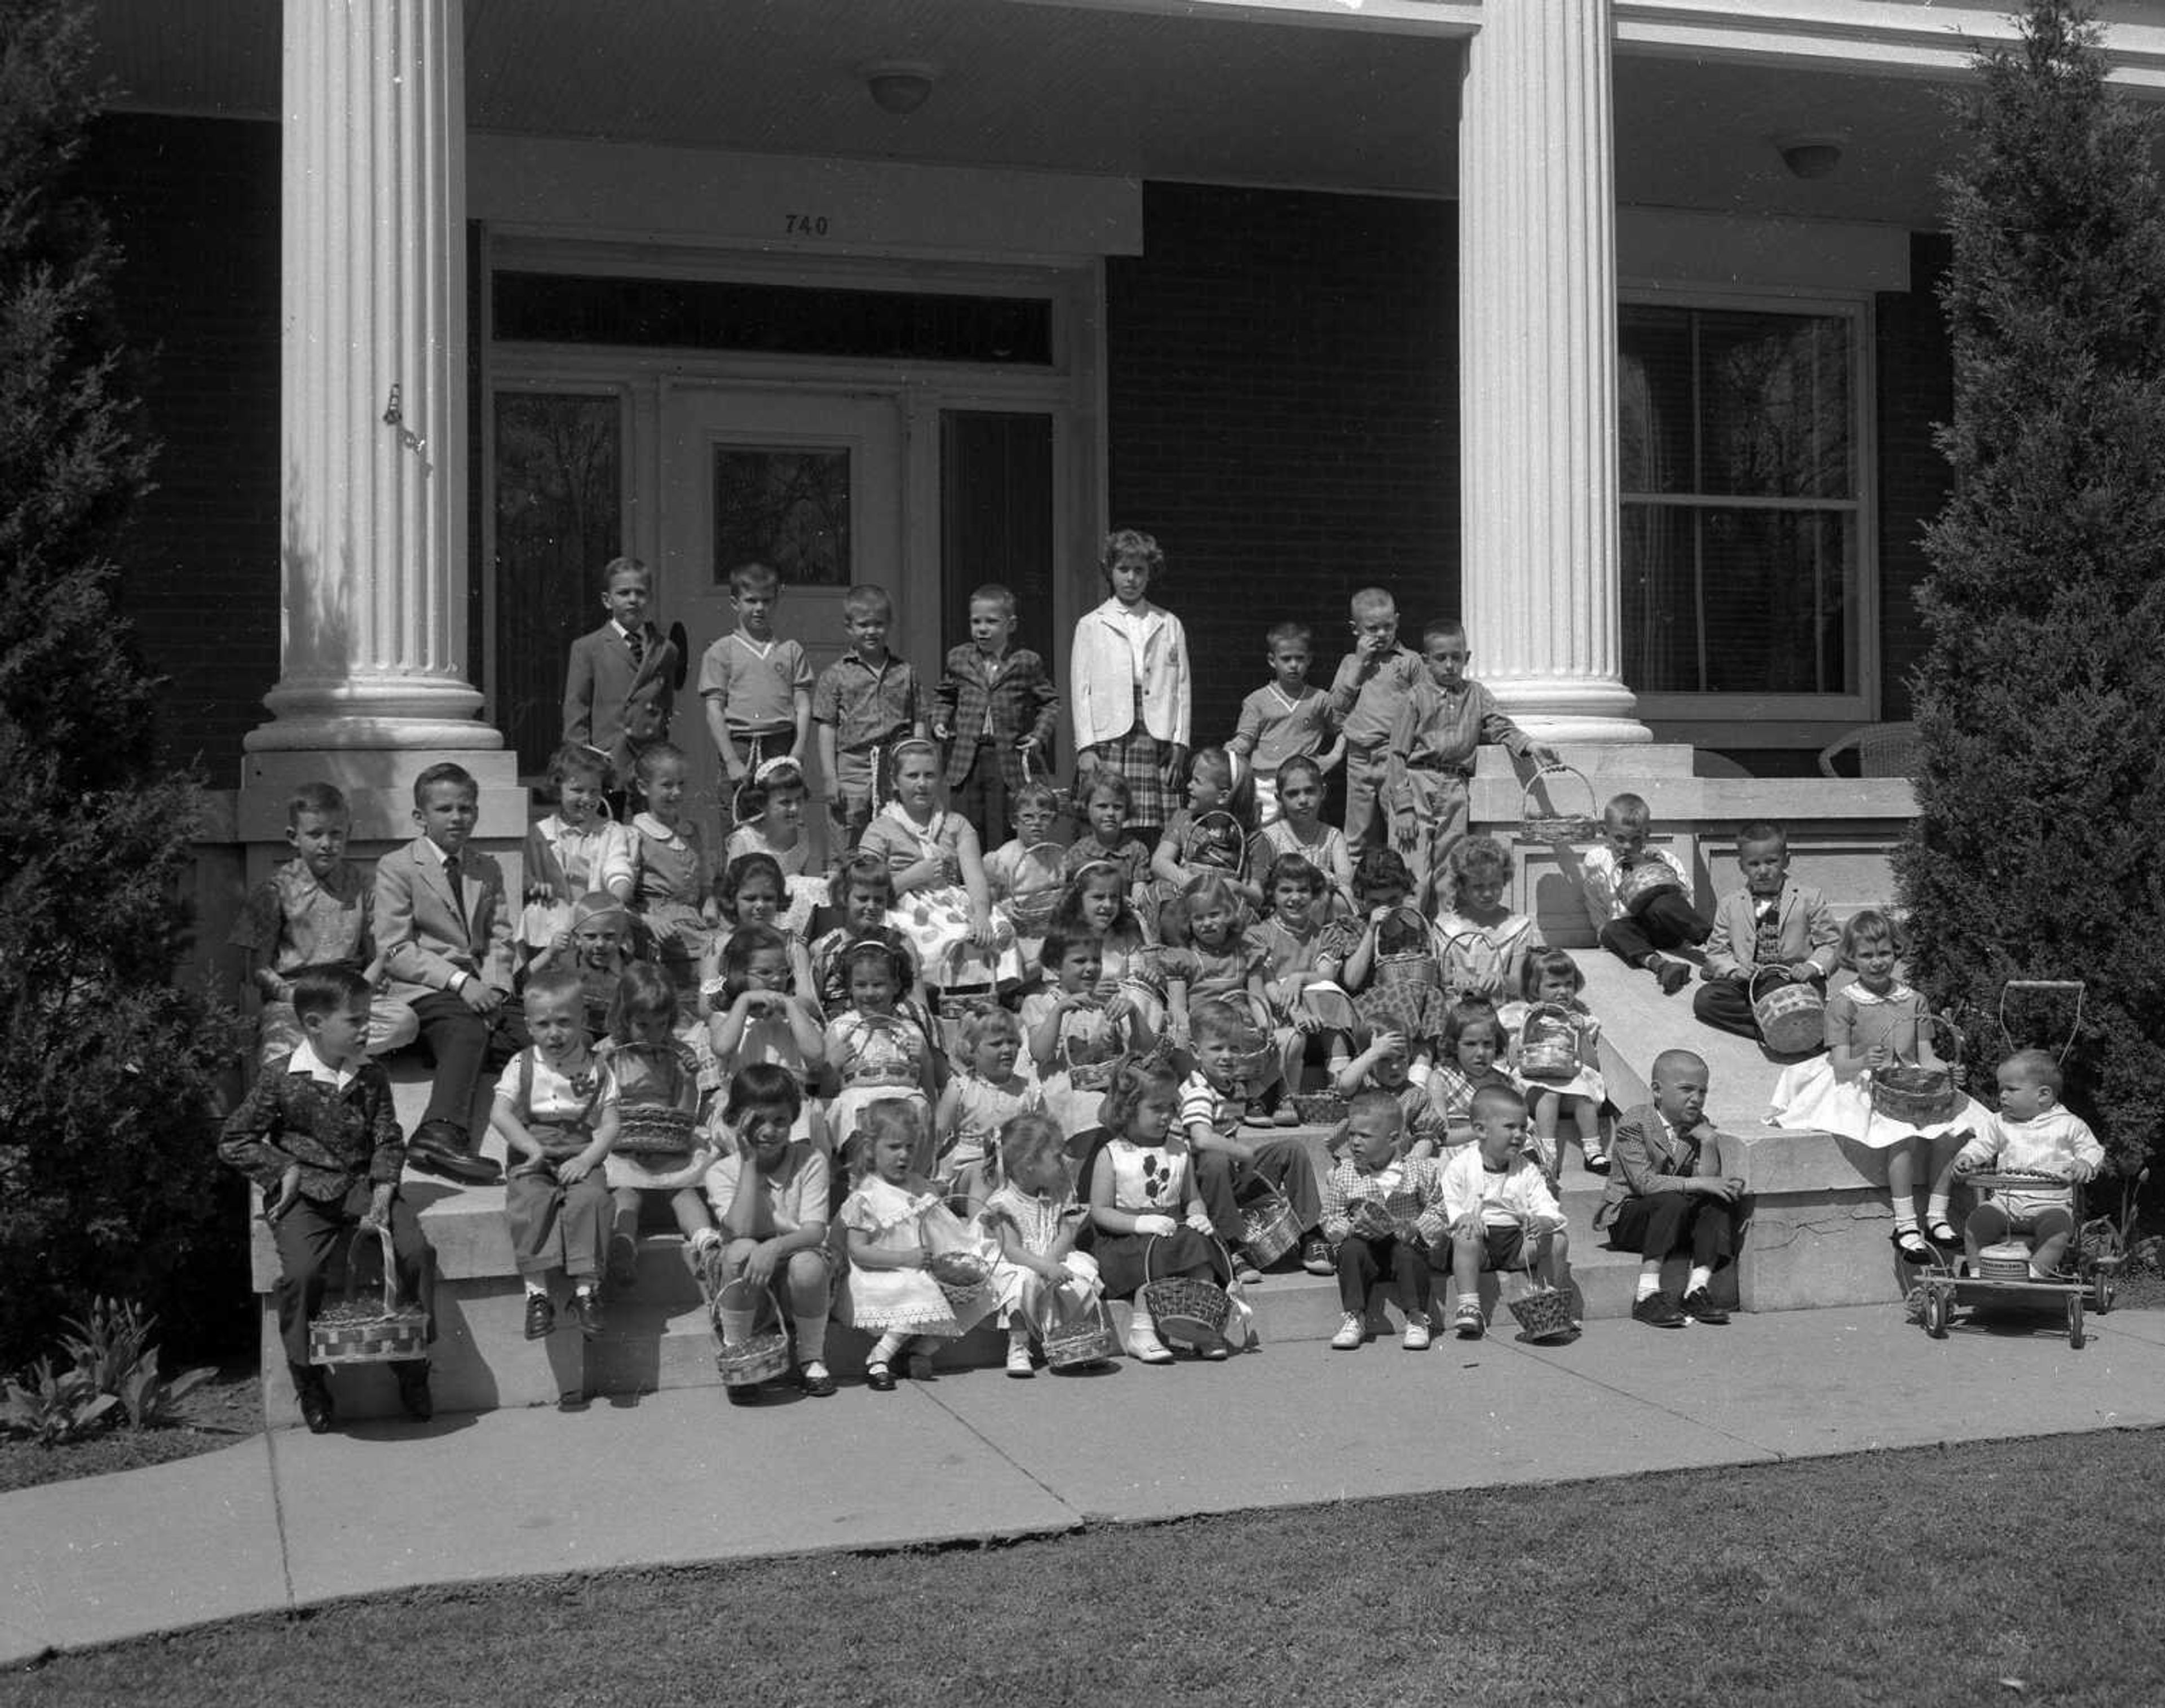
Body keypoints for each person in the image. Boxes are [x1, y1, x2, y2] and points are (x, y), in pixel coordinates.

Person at [218, 965, 433, 1433]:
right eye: (355, 1021)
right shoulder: (280, 1077)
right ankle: (309, 1379)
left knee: (416, 1251)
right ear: (315, 1024)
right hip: (307, 1196)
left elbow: (389, 1138)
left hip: (362, 1186)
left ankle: (412, 1362)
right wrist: (284, 1169)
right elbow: (234, 1140)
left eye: (367, 1018)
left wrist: (381, 1192)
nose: (366, 1029)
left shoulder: (371, 1075)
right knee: (301, 1274)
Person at [1767, 910, 1978, 1263]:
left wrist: (1949, 1072)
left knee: (1950, 1130)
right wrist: (1866, 1061)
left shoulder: (1914, 999)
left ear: (1897, 952)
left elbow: (1926, 1057)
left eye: (1884, 954)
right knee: (1900, 1134)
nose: (1877, 963)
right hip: (1861, 1080)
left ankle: (1938, 1216)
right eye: (1867, 955)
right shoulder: (1844, 1002)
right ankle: (1906, 1223)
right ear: (1851, 958)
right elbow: (1840, 1063)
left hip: (1909, 1078)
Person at [376, 762, 523, 1184]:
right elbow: (395, 948)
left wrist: (495, 988)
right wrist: (461, 983)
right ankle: (439, 1132)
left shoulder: (485, 867)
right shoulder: (398, 866)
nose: (457, 818)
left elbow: (500, 939)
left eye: (466, 808)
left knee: (532, 1037)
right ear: (421, 817)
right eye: (445, 809)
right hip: (424, 985)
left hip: (480, 987)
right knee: (466, 1030)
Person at [229, 781, 417, 1068]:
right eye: (315, 834)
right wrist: (296, 997)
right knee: (275, 1055)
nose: (327, 844)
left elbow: (380, 953)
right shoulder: (275, 890)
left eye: (336, 834)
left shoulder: (362, 885)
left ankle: (330, 1044)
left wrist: (361, 992)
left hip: (350, 994)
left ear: (348, 834)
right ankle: (336, 1046)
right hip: (296, 1000)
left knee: (404, 1022)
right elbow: (259, 969)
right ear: (294, 837)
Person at [1384, 619, 1556, 911]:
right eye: (1441, 658)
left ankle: (1444, 939)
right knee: (1412, 870)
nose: (1449, 665)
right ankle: (1409, 943)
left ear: (1467, 658)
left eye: (1456, 657)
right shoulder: (1415, 698)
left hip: (1456, 787)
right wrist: (1402, 807)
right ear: (1426, 661)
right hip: (1418, 784)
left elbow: (1500, 726)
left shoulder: (1476, 695)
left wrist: (1530, 745)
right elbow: (1397, 754)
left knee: (1449, 871)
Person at [490, 966, 620, 1344]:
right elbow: (499, 1112)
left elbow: (610, 1124)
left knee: (591, 1199)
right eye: (543, 1024)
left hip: (581, 1147)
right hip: (534, 1147)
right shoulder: (522, 1063)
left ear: (583, 1021)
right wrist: (530, 1147)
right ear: (529, 1026)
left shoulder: (598, 1067)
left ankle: (586, 1291)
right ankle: (537, 1295)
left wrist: (587, 1160)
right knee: (531, 1199)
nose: (555, 1033)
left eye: (564, 1022)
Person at [839, 1100, 994, 1390]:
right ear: (872, 1148)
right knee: (921, 1287)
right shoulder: (867, 1196)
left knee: (980, 1288)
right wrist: (905, 1258)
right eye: (894, 1147)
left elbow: (946, 1229)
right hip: (885, 1271)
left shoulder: (921, 1186)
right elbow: (858, 1250)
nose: (904, 1156)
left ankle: (922, 1349)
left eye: (910, 1147)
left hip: (924, 1265)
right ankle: (879, 1357)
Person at [702, 1064, 836, 1397]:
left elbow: (814, 1232)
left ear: (793, 1120)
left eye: (780, 1121)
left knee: (807, 1263)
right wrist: (749, 1164)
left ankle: (811, 1357)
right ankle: (738, 1352)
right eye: (757, 1121)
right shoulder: (722, 1172)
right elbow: (741, 1230)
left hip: (797, 1271)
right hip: (743, 1278)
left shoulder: (811, 1160)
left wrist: (774, 1248)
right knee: (741, 1249)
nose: (769, 1131)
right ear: (737, 1121)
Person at [1082, 1056, 1226, 1365]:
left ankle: (1203, 1325)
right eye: (1156, 1108)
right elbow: (1100, 1211)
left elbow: (1192, 1198)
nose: (1166, 1116)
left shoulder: (1178, 1149)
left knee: (1202, 1244)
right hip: (1125, 1239)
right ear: (1128, 1109)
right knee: (1154, 1250)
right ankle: (1142, 1330)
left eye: (1171, 1107)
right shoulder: (1112, 1154)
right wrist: (1141, 1223)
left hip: (1171, 1231)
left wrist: (1198, 1215)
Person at [1180, 996, 1333, 1281]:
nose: (1227, 1056)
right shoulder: (1197, 1090)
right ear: (1196, 1051)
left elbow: (1265, 1083)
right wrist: (1243, 1153)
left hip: (1231, 1174)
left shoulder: (1232, 1086)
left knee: (1292, 1149)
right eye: (1216, 1048)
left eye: (1235, 1048)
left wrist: (1275, 1056)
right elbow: (1201, 1139)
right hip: (1198, 1183)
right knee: (1215, 1159)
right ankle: (1230, 1247)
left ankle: (1311, 1233)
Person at [856, 735, 1020, 998]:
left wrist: (980, 914)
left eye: (930, 775)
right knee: (948, 936)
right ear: (895, 782)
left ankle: (983, 993)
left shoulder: (956, 825)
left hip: (951, 901)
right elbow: (866, 886)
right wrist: (913, 876)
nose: (922, 784)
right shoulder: (881, 829)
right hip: (900, 904)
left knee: (998, 928)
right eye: (912, 776)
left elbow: (974, 876)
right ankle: (928, 995)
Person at [1595, 1049, 1740, 1329]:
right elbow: (1645, 1183)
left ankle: (1697, 1289)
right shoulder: (1634, 1123)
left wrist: (1709, 1142)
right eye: (1687, 1090)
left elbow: (1709, 1181)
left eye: (1702, 1092)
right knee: (1670, 1200)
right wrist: (1697, 1183)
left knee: (1718, 1201)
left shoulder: (1699, 1125)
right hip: (1631, 1220)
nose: (1696, 1099)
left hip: (1674, 1221)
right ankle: (1647, 1294)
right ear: (1658, 1091)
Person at [597, 962, 719, 1294]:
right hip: (622, 1143)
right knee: (625, 1193)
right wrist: (598, 1072)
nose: (652, 1034)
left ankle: (706, 1244)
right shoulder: (609, 1053)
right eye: (642, 1025)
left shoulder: (676, 1053)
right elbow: (594, 1105)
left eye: (661, 1025)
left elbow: (685, 1111)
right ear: (623, 1018)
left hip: (668, 1139)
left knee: (684, 1191)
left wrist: (688, 1079)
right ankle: (623, 1243)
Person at [1070, 529, 1191, 847]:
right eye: (1124, 569)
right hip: (1110, 733)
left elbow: (1182, 688)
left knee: (1156, 826)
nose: (1132, 578)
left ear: (1151, 574)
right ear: (1110, 571)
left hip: (1156, 732)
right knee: (1109, 815)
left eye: (1140, 571)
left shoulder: (1169, 623)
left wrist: (1180, 743)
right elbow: (1081, 691)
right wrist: (1086, 747)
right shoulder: (1092, 624)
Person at [932, 581, 1061, 852]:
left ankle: (1001, 886)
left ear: (1010, 625)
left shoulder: (1026, 661)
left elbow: (1049, 702)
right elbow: (946, 695)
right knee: (967, 826)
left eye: (991, 621)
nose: (982, 628)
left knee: (1002, 826)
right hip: (967, 758)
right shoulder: (959, 658)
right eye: (976, 621)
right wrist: (939, 721)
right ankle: (969, 888)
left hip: (1006, 760)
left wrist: (1039, 735)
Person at [1953, 1049, 2104, 1280]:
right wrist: (1967, 1158)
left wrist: (2085, 1163)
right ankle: (1977, 1276)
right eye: (2001, 1089)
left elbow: (2093, 1150)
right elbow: (1981, 1145)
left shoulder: (2069, 1125)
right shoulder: (1998, 1122)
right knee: (1977, 1222)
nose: (2003, 1096)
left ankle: (2032, 1277)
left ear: (2043, 1095)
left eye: (2011, 1089)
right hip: (2005, 1203)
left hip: (2050, 1205)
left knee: (2059, 1231)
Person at [1319, 1088, 1448, 1352]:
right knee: (1351, 1251)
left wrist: (1416, 1227)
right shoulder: (1345, 1174)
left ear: (1393, 1139)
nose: (1355, 1142)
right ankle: (1355, 1316)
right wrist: (1347, 1229)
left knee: (1406, 1253)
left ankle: (1416, 1316)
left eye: (1364, 1136)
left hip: (1405, 1244)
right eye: (1352, 1134)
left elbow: (1438, 1211)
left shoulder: (1420, 1170)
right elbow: (1330, 1217)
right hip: (1366, 1249)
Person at [1439, 1085, 1572, 1340]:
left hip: (1516, 1242)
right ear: (1481, 1130)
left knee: (1557, 1240)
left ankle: (1548, 1302)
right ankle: (1469, 1306)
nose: (1519, 1134)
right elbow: (1446, 1202)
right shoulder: (1461, 1165)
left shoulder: (1527, 1169)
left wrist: (1543, 1221)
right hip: (1480, 1243)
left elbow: (1547, 1205)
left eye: (1523, 1128)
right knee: (1466, 1236)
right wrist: (1462, 1217)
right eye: (1510, 1127)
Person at [1550, 791, 1711, 997]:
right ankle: (1661, 966)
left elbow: (1685, 896)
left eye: (1636, 839)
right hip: (1634, 934)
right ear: (1604, 832)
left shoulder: (1662, 858)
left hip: (1665, 930)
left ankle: (1716, 944)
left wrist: (1658, 866)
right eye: (1620, 838)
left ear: (1647, 834)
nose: (1627, 846)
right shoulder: (1599, 862)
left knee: (1662, 904)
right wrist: (1604, 932)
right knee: (1610, 930)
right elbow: (1594, 899)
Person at [1694, 821, 1840, 1046]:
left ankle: (1792, 1025)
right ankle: (1776, 1032)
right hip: (1750, 981)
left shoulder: (1810, 897)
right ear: (1742, 866)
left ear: (1786, 860)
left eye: (1771, 862)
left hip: (1792, 981)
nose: (1763, 870)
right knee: (1705, 1000)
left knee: (1776, 992)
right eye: (1754, 864)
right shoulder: (1730, 904)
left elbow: (1832, 944)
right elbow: (1716, 951)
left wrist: (1813, 967)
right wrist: (1735, 971)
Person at [978, 1111, 1100, 1377]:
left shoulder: (1058, 1192)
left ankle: (1071, 1339)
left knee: (1083, 1270)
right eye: (1056, 1156)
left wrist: (1052, 1263)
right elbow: (1010, 1250)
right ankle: (1019, 1344)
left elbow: (1067, 1233)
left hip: (1051, 1257)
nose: (1062, 1162)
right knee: (1020, 1281)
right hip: (1018, 1262)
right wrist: (1043, 1267)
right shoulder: (1004, 1202)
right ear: (1029, 1163)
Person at [812, 583, 927, 864]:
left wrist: (919, 761)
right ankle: (845, 891)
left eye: (878, 624)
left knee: (898, 829)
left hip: (896, 763)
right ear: (849, 627)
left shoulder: (905, 672)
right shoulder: (835, 675)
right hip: (853, 764)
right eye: (864, 625)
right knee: (850, 829)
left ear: (889, 625)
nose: (871, 631)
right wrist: (830, 777)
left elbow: (919, 720)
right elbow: (827, 727)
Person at [703, 923, 828, 1157]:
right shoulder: (724, 1018)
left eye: (783, 971)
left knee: (803, 1118)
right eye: (765, 973)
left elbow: (815, 1054)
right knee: (733, 1125)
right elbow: (722, 1047)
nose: (777, 979)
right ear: (740, 974)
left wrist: (791, 1005)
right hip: (742, 1104)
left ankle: (795, 1175)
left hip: (787, 1107)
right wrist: (744, 1001)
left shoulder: (794, 1020)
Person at [561, 554, 679, 800]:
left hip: (649, 761)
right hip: (607, 760)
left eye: (640, 593)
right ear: (607, 600)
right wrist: (583, 762)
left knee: (648, 832)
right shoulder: (588, 647)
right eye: (624, 593)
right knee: (606, 832)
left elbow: (665, 706)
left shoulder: (665, 649)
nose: (633, 600)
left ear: (650, 599)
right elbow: (577, 708)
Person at [1316, 848, 1451, 1059]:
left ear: (1405, 893)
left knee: (1435, 996)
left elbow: (1433, 980)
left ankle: (1421, 1065)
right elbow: (1351, 981)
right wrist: (1371, 929)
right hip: (1368, 1011)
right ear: (1362, 898)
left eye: (1393, 900)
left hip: (1413, 1010)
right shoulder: (1350, 927)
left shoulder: (1415, 933)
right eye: (1375, 902)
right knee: (1400, 992)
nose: (1385, 908)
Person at [824, 940, 939, 1171]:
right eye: (861, 985)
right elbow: (825, 1092)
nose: (869, 993)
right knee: (853, 1108)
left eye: (878, 985)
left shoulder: (910, 1029)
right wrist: (833, 1065)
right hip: (858, 1099)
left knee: (918, 1105)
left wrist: (925, 1061)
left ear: (896, 986)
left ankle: (910, 1175)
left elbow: (930, 1091)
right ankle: (863, 1176)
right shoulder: (841, 1028)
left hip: (902, 1104)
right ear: (850, 987)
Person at [1324, 587, 1424, 853]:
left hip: (1394, 755)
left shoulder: (1410, 662)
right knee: (1358, 834)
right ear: (1355, 629)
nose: (1381, 634)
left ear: (1398, 622)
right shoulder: (1350, 663)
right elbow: (1337, 709)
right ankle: (1355, 889)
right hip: (1359, 757)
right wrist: (1359, 664)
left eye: (1388, 626)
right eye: (1372, 629)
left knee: (1400, 831)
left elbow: (1427, 708)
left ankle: (1400, 891)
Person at [519, 743, 636, 965]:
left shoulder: (611, 832)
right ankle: (546, 972)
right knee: (536, 912)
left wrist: (614, 898)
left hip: (598, 914)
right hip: (555, 912)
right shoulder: (539, 833)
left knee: (614, 923)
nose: (587, 798)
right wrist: (535, 886)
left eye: (595, 791)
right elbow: (525, 877)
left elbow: (618, 869)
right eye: (577, 790)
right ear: (558, 788)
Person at [698, 559, 812, 786]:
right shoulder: (721, 651)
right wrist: (731, 760)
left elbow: (803, 705)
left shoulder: (790, 650)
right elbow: (714, 710)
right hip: (740, 745)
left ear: (776, 602)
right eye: (751, 601)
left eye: (766, 601)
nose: (760, 608)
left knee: (781, 812)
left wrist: (798, 750)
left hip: (781, 743)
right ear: (734, 603)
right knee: (738, 812)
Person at [1499, 949, 1609, 1182]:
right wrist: (1528, 1027)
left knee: (1584, 1097)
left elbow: (1592, 1065)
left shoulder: (1579, 1019)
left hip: (1569, 1079)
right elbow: (1512, 1059)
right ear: (1535, 988)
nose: (1563, 991)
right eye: (1553, 985)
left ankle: (1593, 1151)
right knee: (1550, 1095)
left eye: (1568, 984)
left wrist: (1582, 1034)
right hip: (1535, 1084)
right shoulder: (1524, 1016)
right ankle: (1548, 1152)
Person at [623, 742, 714, 1019]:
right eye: (667, 785)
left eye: (681, 784)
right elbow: (621, 901)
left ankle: (708, 1016)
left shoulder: (695, 830)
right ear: (643, 787)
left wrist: (710, 905)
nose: (676, 793)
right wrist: (649, 920)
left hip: (695, 923)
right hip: (655, 927)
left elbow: (706, 886)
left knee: (725, 953)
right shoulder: (634, 834)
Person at [1022, 927, 1141, 1139]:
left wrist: (1131, 1014)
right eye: (1080, 961)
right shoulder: (1039, 1003)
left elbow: (1138, 1050)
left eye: (1096, 960)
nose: (1091, 968)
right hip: (1062, 1096)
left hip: (1106, 1089)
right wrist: (1060, 1010)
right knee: (1090, 1109)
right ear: (1056, 967)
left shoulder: (1105, 1003)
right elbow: (1040, 1053)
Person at [1228, 620, 1343, 828]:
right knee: (1264, 833)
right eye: (1286, 659)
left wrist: (1333, 757)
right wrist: (1235, 748)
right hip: (1266, 782)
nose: (1293, 665)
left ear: (1309, 660)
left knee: (1305, 832)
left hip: (1304, 782)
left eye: (1299, 659)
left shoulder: (1320, 699)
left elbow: (1345, 730)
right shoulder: (1257, 700)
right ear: (1273, 660)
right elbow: (1246, 739)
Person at [934, 1007, 1041, 1209]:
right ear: (971, 1050)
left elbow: (1043, 1134)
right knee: (985, 1173)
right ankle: (980, 1232)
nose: (1007, 1049)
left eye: (1012, 1042)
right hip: (966, 1174)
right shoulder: (961, 1087)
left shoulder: (1028, 1090)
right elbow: (937, 1134)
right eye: (996, 1044)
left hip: (1013, 1169)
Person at [1431, 834, 1542, 1002]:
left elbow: (1520, 984)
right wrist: (1455, 977)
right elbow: (1439, 979)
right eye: (1478, 887)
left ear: (1505, 880)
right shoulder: (1446, 926)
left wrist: (1501, 978)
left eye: (1495, 885)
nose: (1488, 894)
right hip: (1458, 1009)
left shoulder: (1518, 926)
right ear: (1462, 887)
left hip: (1503, 1008)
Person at [1244, 754, 1354, 919]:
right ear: (1279, 798)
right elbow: (1261, 890)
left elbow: (1346, 887)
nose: (1303, 800)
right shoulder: (1268, 838)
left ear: (1323, 792)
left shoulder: (1333, 837)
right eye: (1293, 794)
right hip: (1281, 919)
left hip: (1323, 919)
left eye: (1310, 791)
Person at [1150, 747, 1251, 906]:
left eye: (1197, 781)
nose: (1189, 786)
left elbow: (1254, 893)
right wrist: (1193, 883)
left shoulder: (1247, 835)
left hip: (1224, 904)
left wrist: (1233, 888)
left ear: (1223, 796)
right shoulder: (1184, 819)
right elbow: (1159, 862)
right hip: (1186, 897)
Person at [1331, 1029, 1450, 1160]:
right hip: (1355, 1162)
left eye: (1401, 1058)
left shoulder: (1416, 1096)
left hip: (1397, 1165)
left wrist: (1413, 1162)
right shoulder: (1362, 1085)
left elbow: (1427, 1136)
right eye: (1384, 1059)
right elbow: (1345, 1086)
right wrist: (1374, 1052)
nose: (1395, 1066)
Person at [1422, 1000, 1514, 1151]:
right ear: (1454, 1045)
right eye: (1470, 1044)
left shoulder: (1503, 1082)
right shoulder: (1441, 1080)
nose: (1480, 1053)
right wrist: (1485, 1129)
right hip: (1460, 1152)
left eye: (1488, 1044)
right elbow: (1442, 1136)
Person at [1060, 769, 1156, 904]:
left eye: (1117, 807)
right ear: (1087, 807)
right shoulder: (1077, 853)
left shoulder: (1137, 850)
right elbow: (1072, 899)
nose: (1110, 813)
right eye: (1102, 806)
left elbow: (1138, 898)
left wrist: (1132, 905)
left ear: (1127, 810)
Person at [723, 756, 814, 878]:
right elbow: (732, 886)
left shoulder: (805, 837)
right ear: (762, 803)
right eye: (785, 802)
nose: (795, 808)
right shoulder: (744, 841)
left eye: (799, 800)